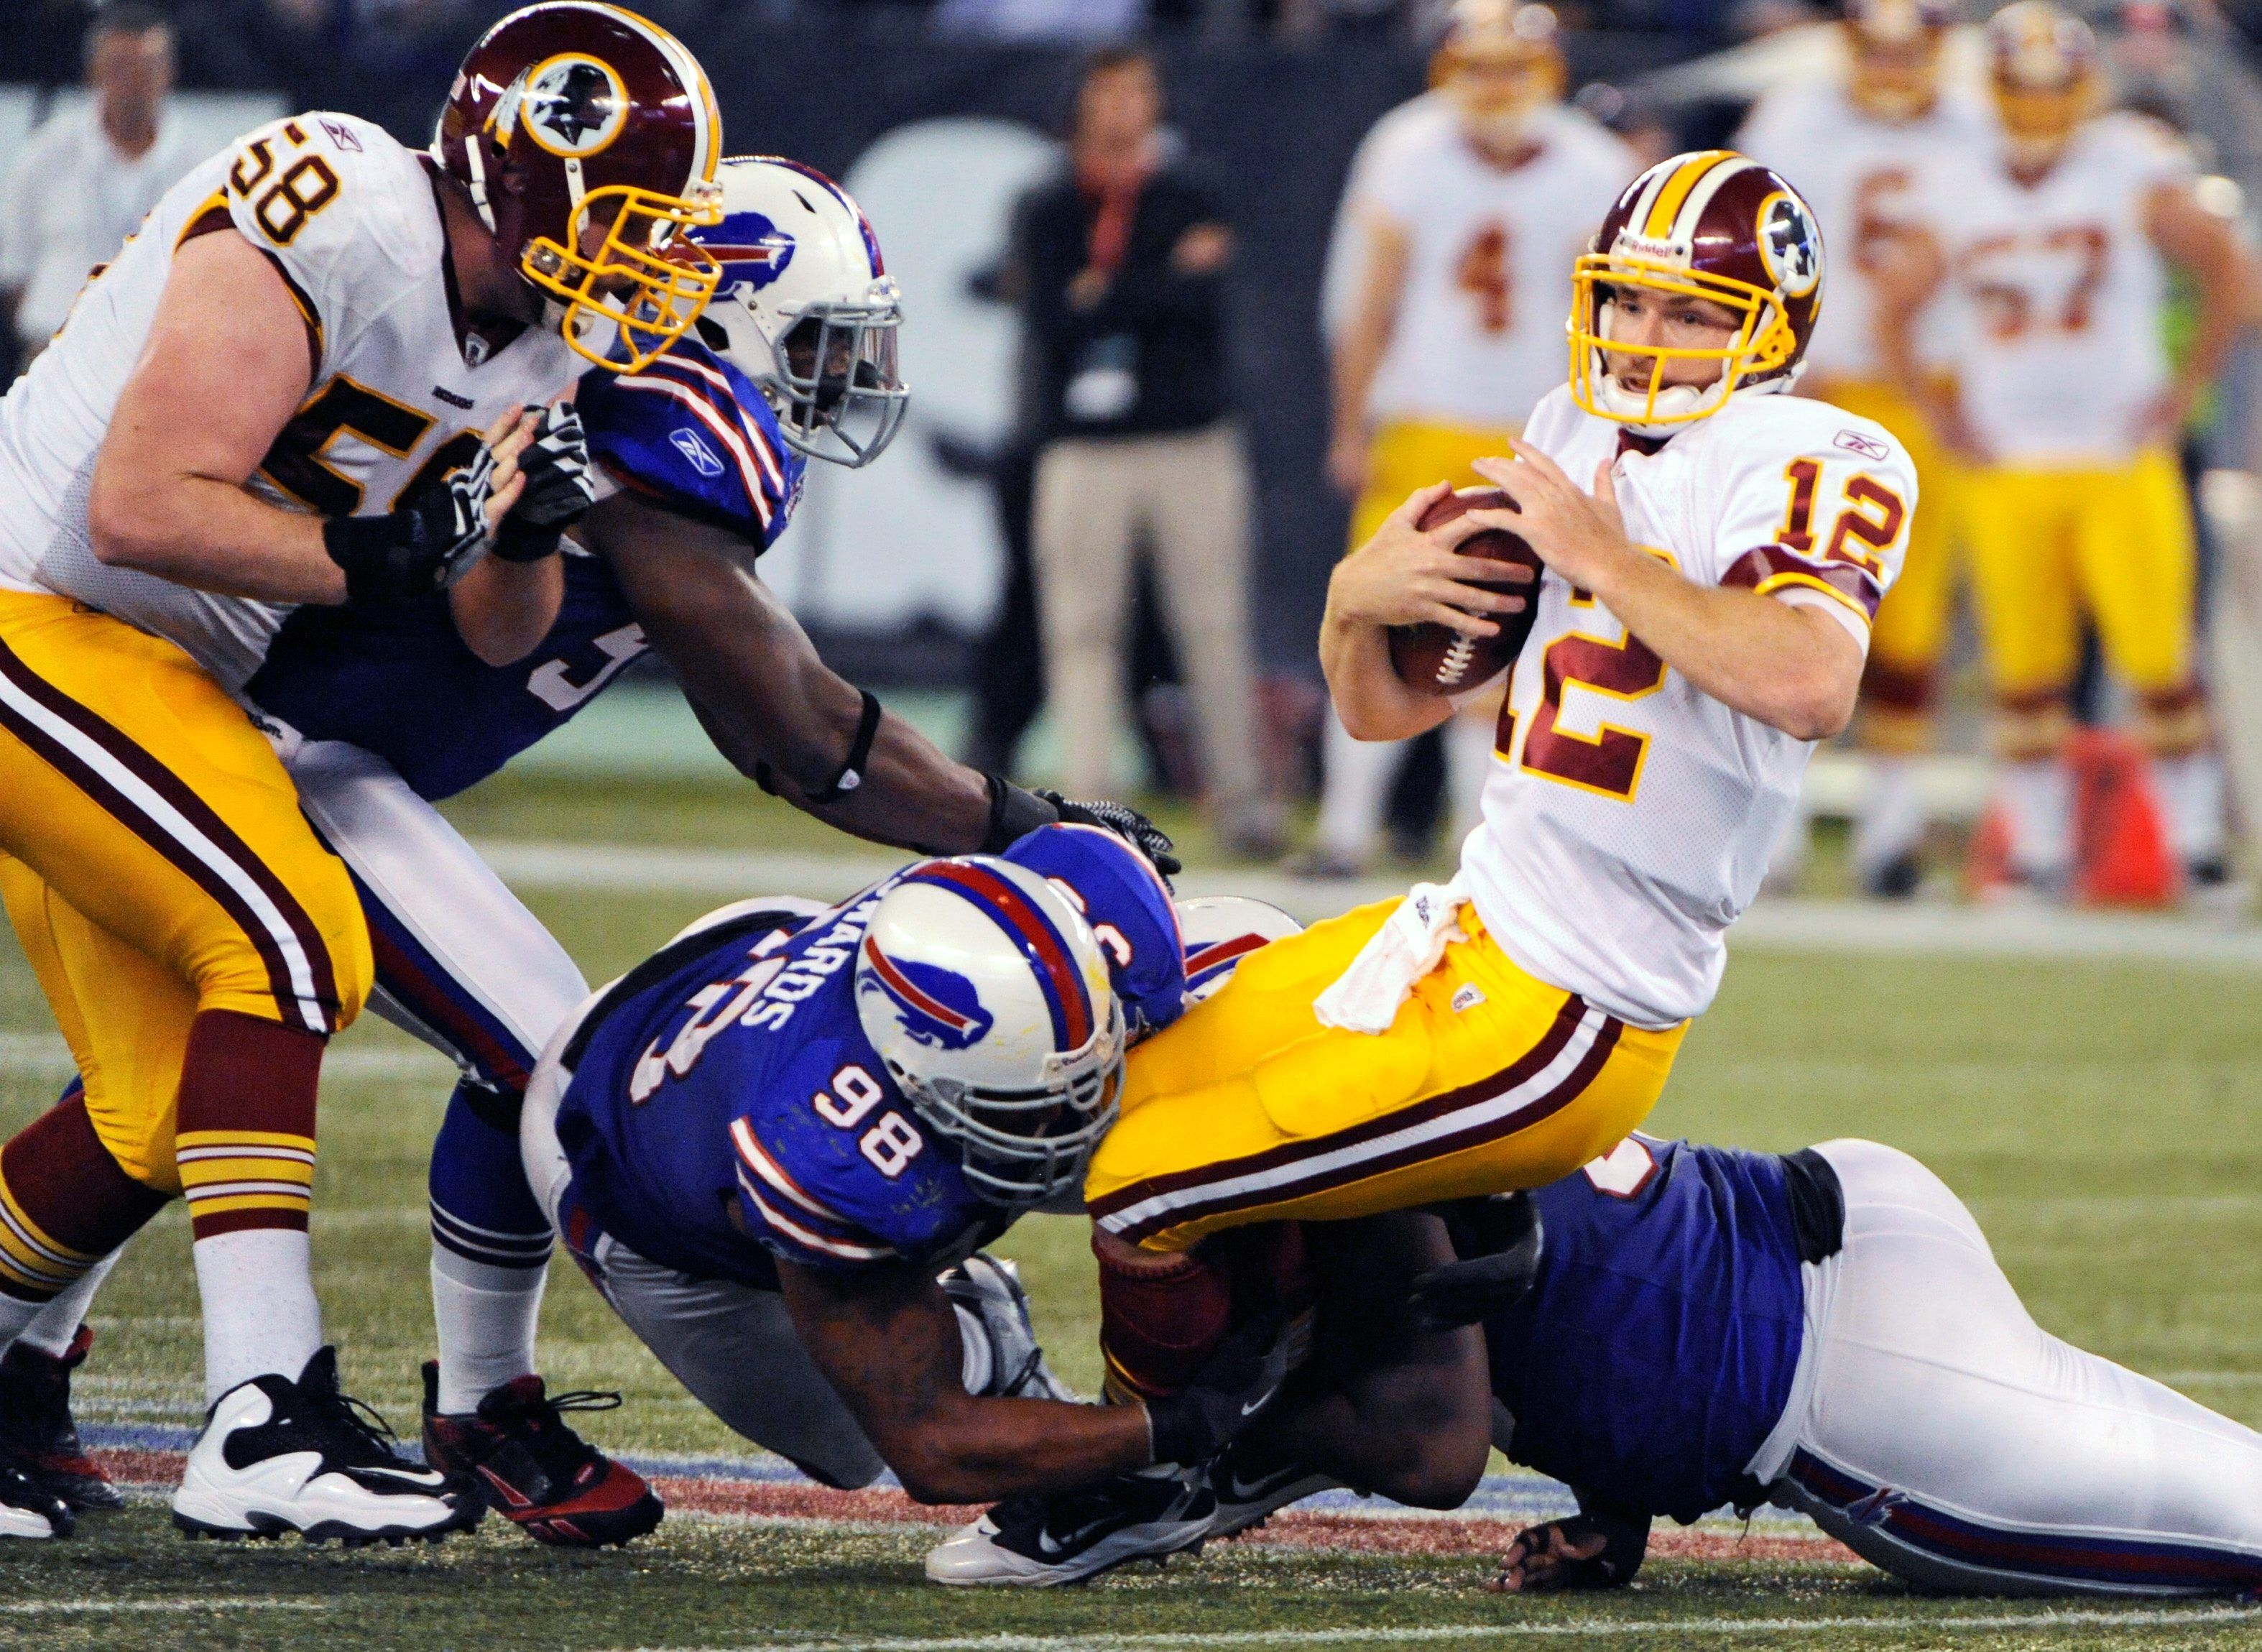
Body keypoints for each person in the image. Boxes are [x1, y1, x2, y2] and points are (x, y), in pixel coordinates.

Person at [0, 157, 1181, 1546]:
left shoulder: (602, 388)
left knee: (158, 1104)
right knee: (549, 1054)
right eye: (816, 337)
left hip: (305, 742)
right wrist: (1015, 821)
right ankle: (466, 1403)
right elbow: (798, 737)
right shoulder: (649, 420)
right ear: (722, 314)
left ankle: (27, 1363)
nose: (847, 372)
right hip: (263, 745)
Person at [937, 149, 1921, 1582]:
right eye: (1627, 306)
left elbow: (1804, 679)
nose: (1644, 342)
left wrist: (1602, 555)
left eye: (1689, 313)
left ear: (1768, 330)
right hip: (1460, 926)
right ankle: (1270, 1377)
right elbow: (1383, 708)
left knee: (1148, 1184)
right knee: (1126, 1095)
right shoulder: (1561, 426)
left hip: (1573, 1007)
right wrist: (1353, 606)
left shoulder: (1819, 459)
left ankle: (1153, 1464)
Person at [0, 1, 728, 1543]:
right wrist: (374, 550)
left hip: (150, 673)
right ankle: (263, 1412)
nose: (650, 259)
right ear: (526, 171)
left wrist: (519, 535)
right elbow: (134, 504)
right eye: (637, 217)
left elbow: (485, 628)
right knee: (287, 939)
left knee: (147, 1118)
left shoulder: (542, 332)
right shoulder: (342, 207)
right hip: (37, 610)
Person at [515, 827, 1303, 1513]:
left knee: (1236, 1088)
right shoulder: (823, 1157)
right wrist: (1178, 1426)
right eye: (1021, 1109)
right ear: (916, 1081)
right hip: (626, 1164)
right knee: (853, 1448)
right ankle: (980, 1331)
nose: (1065, 1125)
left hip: (768, 954)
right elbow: (936, 1446)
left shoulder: (1100, 922)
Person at [1211, 1133, 2262, 1599]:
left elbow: (1429, 1451)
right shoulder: (1397, 1090)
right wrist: (1610, 1504)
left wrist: (1217, 1423)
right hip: (1836, 1200)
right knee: (2218, 1471)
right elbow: (1588, 1278)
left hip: (1859, 1391)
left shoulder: (1352, 1205)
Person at [1880, 2, 2254, 900]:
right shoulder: (1955, 179)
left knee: (2161, 667)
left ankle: (2198, 855)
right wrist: (1938, 418)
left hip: (2114, 457)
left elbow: (2226, 267)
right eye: (2024, 87)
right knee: (2022, 678)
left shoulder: (2128, 160)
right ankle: (2039, 859)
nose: (2041, 106)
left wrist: (2179, 390)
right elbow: (1890, 303)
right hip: (2005, 462)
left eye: (2055, 87)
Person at [1304, 0, 1633, 878]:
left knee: (1500, 645)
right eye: (1477, 69)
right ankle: (1343, 830)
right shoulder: (1406, 148)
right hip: (1421, 414)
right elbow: (1364, 301)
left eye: (1509, 70)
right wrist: (1351, 422)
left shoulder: (1593, 165)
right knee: (1380, 616)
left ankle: (1475, 842)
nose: (1493, 90)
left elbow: (1615, 327)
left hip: (1540, 431)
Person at [1732, 0, 1990, 897]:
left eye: (1908, 46)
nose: (1891, 65)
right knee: (1784, 611)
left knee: (1911, 629)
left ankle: (1890, 838)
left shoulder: (1983, 114)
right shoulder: (1794, 113)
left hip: (1934, 397)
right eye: (1875, 47)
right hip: (1817, 388)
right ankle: (1776, 832)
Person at [1013, 47, 1279, 856]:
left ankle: (1243, 803)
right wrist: (1151, 284)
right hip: (1083, 447)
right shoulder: (1051, 202)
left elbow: (1197, 301)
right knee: (1080, 629)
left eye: (1138, 90)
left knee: (1214, 625)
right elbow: (1052, 318)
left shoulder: (1193, 188)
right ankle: (1094, 811)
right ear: (1081, 104)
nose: (1124, 106)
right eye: (1109, 92)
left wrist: (1109, 295)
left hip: (1190, 439)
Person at [0, 4, 197, 374]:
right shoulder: (44, 154)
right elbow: (14, 275)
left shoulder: (203, 164)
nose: (134, 83)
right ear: (94, 72)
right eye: (121, 67)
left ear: (169, 73)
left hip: (164, 362)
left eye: (147, 68)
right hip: (53, 353)